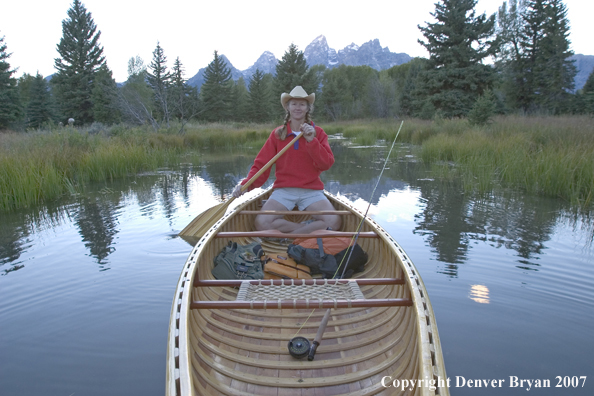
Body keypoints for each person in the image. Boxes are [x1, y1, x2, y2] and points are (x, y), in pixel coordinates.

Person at [232, 86, 341, 233]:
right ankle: (305, 231)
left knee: (334, 221)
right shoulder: (278, 134)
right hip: (284, 190)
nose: (298, 107)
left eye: (302, 104)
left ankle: (290, 235)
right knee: (261, 222)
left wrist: (311, 141)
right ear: (288, 107)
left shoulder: (318, 133)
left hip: (311, 190)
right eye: (294, 104)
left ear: (308, 108)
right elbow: (262, 165)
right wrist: (246, 185)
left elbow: (326, 164)